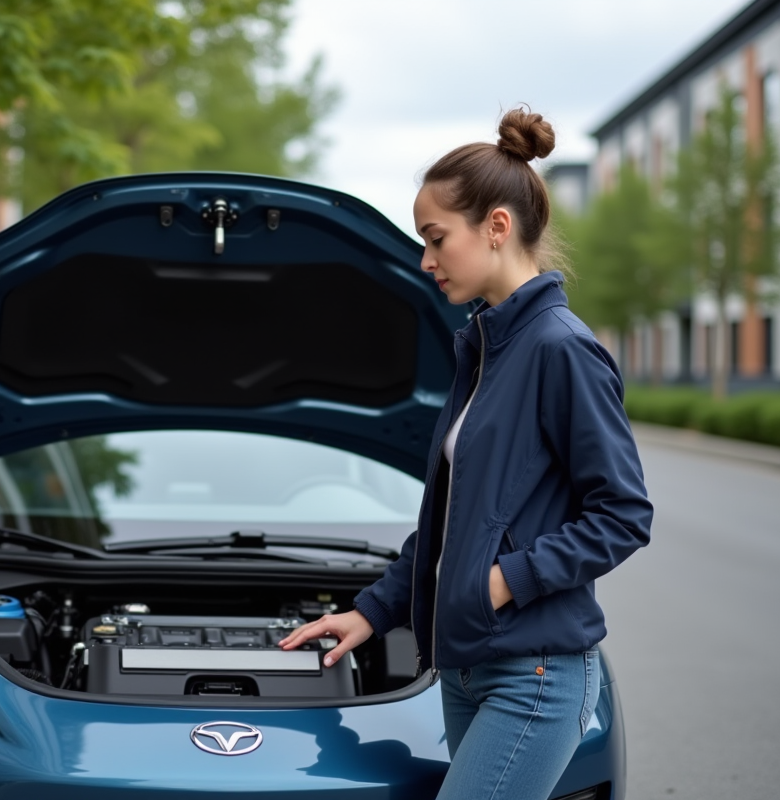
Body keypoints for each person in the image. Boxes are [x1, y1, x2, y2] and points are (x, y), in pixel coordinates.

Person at [278, 107, 654, 800]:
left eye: (435, 238)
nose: (424, 260)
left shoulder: (560, 349)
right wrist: (374, 610)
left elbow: (624, 514)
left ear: (497, 227)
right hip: (467, 669)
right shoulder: (485, 348)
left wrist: (504, 579)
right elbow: (456, 519)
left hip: (535, 674)